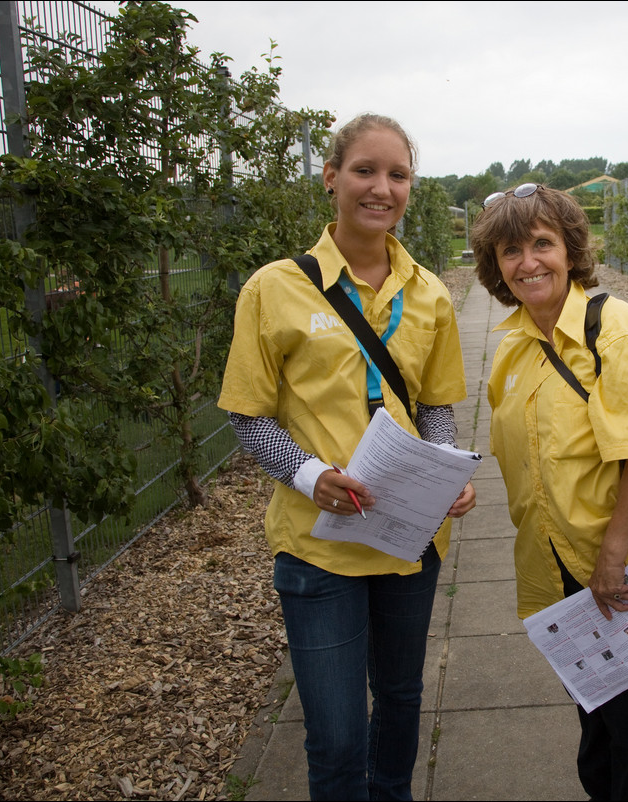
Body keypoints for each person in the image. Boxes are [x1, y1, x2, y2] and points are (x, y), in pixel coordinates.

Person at [217, 113, 475, 801]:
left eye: (397, 175)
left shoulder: (429, 296)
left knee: (399, 700)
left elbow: (436, 406)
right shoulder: (274, 288)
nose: (381, 188)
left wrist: (446, 468)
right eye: (365, 170)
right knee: (334, 734)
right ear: (331, 177)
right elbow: (249, 413)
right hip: (318, 544)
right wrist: (310, 476)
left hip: (407, 539)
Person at [471, 183, 628, 800]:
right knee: (598, 717)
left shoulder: (613, 332)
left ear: (571, 251)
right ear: (495, 264)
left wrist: (613, 557)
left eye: (543, 243)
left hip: (610, 566)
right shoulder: (515, 343)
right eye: (511, 250)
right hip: (552, 563)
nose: (529, 262)